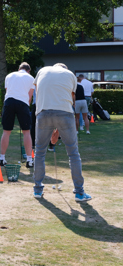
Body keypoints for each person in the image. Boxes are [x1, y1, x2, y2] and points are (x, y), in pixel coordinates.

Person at [32, 63, 91, 202]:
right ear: (65, 69)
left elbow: (39, 93)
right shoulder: (70, 75)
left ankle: (37, 189)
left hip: (42, 113)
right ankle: (79, 192)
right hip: (65, 114)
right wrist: (57, 129)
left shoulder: (42, 71)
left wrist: (55, 130)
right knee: (73, 153)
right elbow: (70, 101)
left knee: (40, 152)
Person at [0, 62, 35, 168]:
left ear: (19, 69)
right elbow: (30, 96)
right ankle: (29, 160)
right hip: (22, 103)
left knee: (6, 131)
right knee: (26, 132)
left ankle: (2, 158)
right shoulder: (31, 78)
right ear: (28, 70)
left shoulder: (9, 76)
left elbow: (8, 91)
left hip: (9, 102)